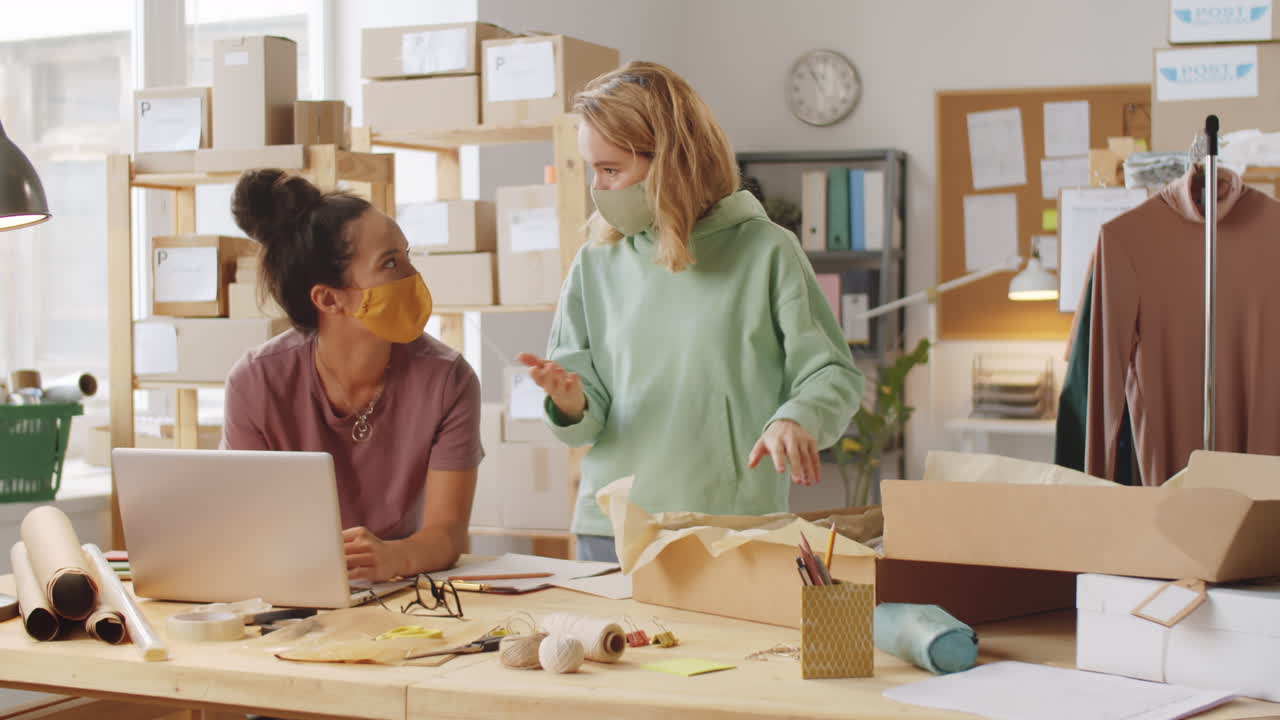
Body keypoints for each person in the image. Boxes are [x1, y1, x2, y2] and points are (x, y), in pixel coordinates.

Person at [517, 62, 863, 562]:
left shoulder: (767, 251)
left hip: (733, 525)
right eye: (593, 169)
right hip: (615, 528)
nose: (598, 188)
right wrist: (571, 403)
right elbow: (586, 412)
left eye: (611, 169)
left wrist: (797, 418)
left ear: (672, 163)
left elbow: (831, 372)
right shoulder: (596, 259)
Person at [221, 169, 482, 582]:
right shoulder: (255, 383)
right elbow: (250, 528)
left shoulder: (448, 380)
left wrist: (395, 558)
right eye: (391, 263)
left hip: (401, 592)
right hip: (291, 588)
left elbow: (447, 534)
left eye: (407, 256)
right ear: (329, 299)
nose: (413, 277)